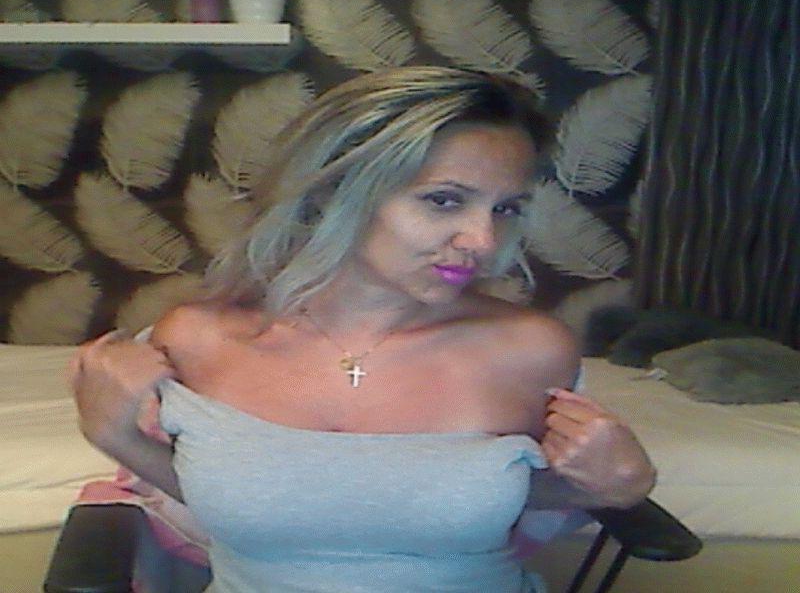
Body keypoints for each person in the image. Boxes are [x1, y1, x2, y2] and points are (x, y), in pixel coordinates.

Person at [69, 66, 656, 592]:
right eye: (445, 201)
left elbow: (500, 499)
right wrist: (116, 435)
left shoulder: (530, 350)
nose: (482, 240)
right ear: (333, 191)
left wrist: (617, 485)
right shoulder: (196, 339)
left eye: (505, 208)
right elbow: (232, 493)